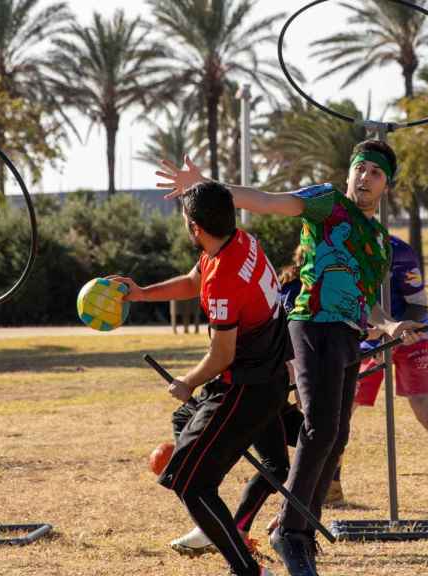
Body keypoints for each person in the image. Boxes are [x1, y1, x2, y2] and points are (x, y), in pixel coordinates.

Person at [157, 140, 422, 576]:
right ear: (348, 174)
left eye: (374, 173)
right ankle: (292, 534)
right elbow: (265, 201)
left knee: (335, 437)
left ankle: (294, 526)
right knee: (318, 428)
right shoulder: (327, 203)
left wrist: (390, 325)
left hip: (349, 334)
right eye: (359, 169)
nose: (364, 177)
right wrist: (203, 187)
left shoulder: (378, 241)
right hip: (312, 322)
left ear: (386, 185)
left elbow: (364, 301)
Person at [111, 181, 291, 576]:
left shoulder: (225, 277)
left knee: (189, 482)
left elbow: (222, 354)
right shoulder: (241, 241)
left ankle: (246, 569)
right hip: (269, 379)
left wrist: (187, 382)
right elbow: (194, 281)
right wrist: (141, 294)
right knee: (272, 466)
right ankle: (242, 533)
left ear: (194, 227)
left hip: (245, 389)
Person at [331, 235, 428, 517]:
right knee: (343, 410)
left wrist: (403, 330)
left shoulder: (400, 251)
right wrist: (374, 338)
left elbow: (418, 304)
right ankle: (331, 486)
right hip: (368, 340)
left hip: (412, 336)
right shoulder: (342, 246)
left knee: (426, 408)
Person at [168, 248, 306, 556]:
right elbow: (289, 351)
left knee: (295, 454)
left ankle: (235, 526)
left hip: (270, 389)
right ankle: (223, 526)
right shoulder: (295, 293)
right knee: (189, 434)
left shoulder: (272, 277)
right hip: (255, 389)